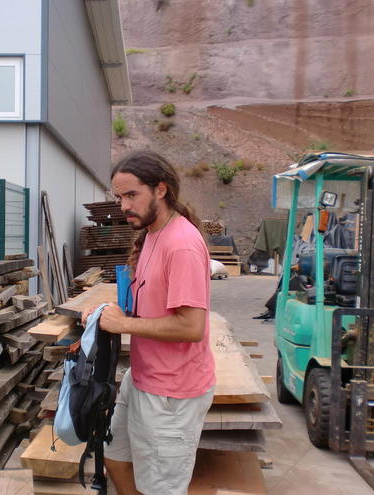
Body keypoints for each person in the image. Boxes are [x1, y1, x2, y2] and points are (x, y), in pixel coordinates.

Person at [82, 151, 216, 495]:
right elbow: (149, 310)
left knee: (161, 487)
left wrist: (122, 325)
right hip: (143, 378)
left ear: (160, 190)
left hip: (171, 394)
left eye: (131, 195)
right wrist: (105, 313)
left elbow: (190, 327)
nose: (123, 205)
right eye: (118, 196)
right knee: (115, 457)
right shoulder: (152, 234)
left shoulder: (182, 246)